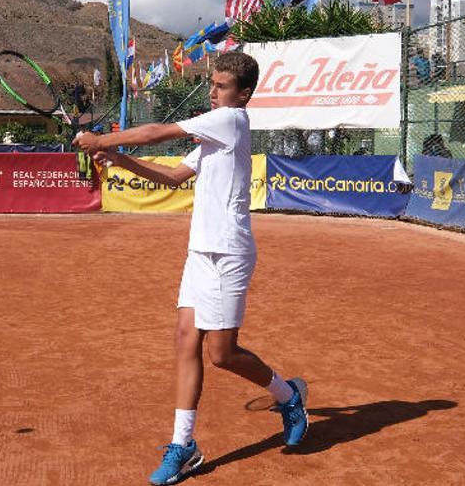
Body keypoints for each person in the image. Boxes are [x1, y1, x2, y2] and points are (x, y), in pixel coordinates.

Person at [73, 52, 308, 485]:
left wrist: (103, 141)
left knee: (222, 354)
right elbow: (174, 177)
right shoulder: (213, 137)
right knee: (185, 340)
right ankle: (184, 446)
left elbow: (156, 132)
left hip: (229, 254)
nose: (213, 92)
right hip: (200, 252)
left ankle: (289, 396)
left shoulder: (231, 121)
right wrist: (120, 160)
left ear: (243, 95)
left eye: (221, 86)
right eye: (212, 84)